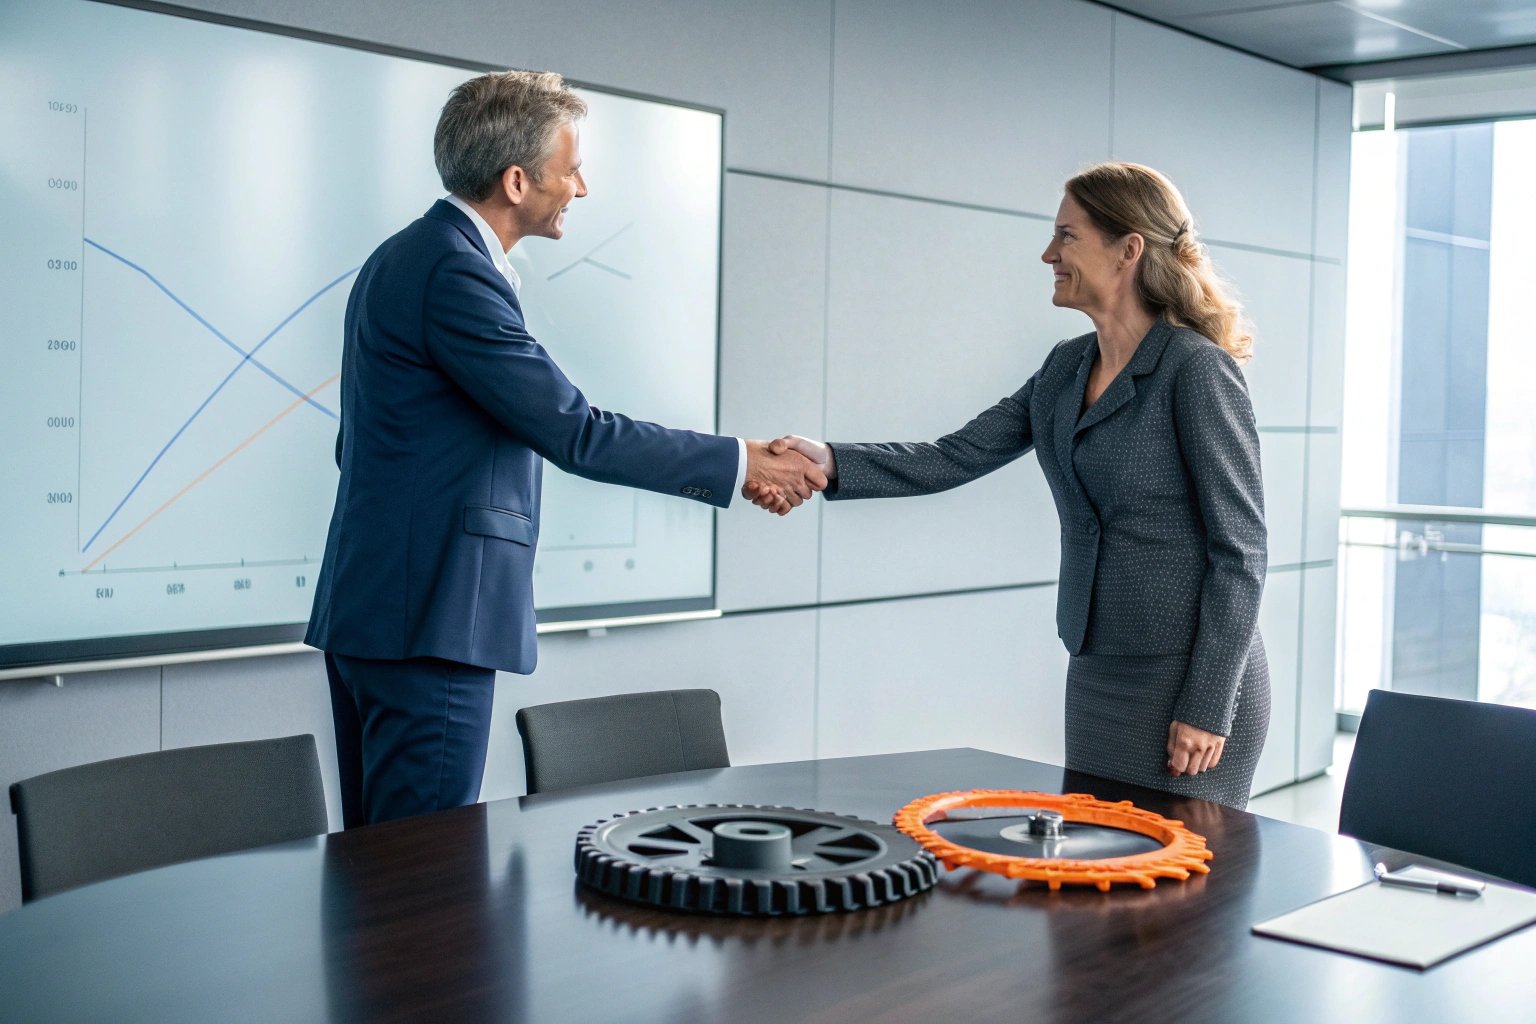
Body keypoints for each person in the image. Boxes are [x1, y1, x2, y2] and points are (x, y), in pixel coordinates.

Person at [306, 70, 824, 828]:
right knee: (415, 883)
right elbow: (573, 430)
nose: (580, 188)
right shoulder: (453, 269)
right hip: (429, 619)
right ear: (517, 180)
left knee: (376, 877)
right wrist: (744, 461)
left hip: (382, 610)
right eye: (570, 168)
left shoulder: (410, 254)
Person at [753, 162, 1269, 808]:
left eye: (1067, 237)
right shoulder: (1064, 369)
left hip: (1187, 681)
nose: (1049, 253)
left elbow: (1241, 551)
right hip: (1098, 668)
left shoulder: (1195, 370)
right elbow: (953, 455)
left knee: (1176, 884)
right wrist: (826, 460)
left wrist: (1209, 701)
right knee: (1098, 866)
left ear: (1128, 249)